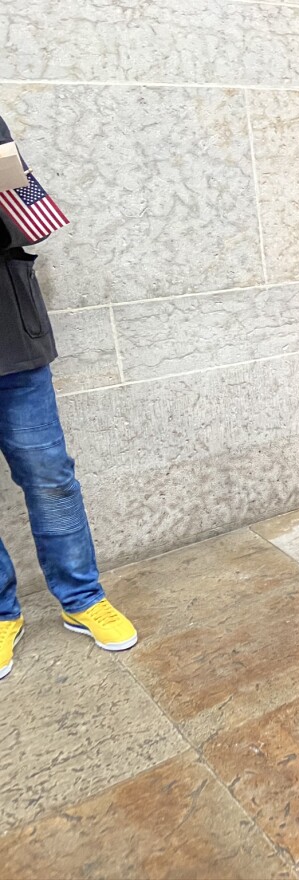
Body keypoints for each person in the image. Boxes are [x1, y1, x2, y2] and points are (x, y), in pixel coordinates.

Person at [0, 113, 137, 681]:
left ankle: (81, 597)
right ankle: (2, 614)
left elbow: (30, 220)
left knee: (50, 475)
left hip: (10, 335)